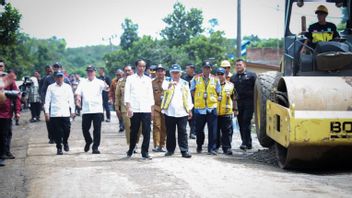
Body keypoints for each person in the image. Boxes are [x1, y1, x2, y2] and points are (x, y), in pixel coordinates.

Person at [124, 59, 154, 160]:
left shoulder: (148, 79)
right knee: (134, 131)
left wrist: (152, 109)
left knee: (147, 131)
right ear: (136, 67)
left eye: (143, 66)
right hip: (134, 108)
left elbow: (150, 95)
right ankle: (131, 148)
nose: (142, 68)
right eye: (140, 66)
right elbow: (127, 94)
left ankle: (145, 152)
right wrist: (128, 107)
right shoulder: (130, 79)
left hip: (146, 108)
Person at [161, 64, 193, 158]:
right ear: (171, 73)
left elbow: (188, 97)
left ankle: (184, 150)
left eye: (177, 73)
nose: (175, 75)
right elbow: (164, 88)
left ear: (180, 74)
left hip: (182, 111)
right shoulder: (167, 81)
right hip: (169, 111)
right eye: (173, 73)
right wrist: (171, 84)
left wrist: (190, 110)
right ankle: (170, 150)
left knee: (183, 132)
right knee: (170, 132)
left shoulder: (185, 83)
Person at [75, 65, 108, 154]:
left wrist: (106, 85)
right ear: (87, 73)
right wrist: (78, 100)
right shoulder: (82, 82)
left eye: (91, 71)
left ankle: (95, 147)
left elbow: (107, 89)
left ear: (94, 72)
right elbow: (78, 93)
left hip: (97, 109)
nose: (90, 73)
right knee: (85, 128)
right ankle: (88, 141)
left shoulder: (100, 82)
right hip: (86, 109)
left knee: (97, 129)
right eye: (88, 71)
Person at [190, 61, 221, 155]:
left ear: (211, 69)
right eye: (205, 67)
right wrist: (198, 98)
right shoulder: (196, 78)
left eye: (208, 68)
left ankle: (211, 149)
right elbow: (192, 91)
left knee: (212, 130)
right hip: (200, 108)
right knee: (199, 130)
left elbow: (219, 92)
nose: (206, 69)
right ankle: (199, 145)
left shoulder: (216, 79)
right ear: (202, 68)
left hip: (212, 107)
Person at [44, 71, 75, 155]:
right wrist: (46, 112)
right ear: (55, 78)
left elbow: (71, 99)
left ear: (63, 77)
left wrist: (73, 110)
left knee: (67, 130)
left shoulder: (67, 87)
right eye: (58, 77)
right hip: (55, 113)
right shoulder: (50, 87)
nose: (59, 78)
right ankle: (59, 147)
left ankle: (65, 142)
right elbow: (47, 100)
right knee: (57, 132)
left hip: (65, 112)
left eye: (61, 77)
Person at [230, 59, 256, 150]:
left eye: (240, 65)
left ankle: (245, 142)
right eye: (237, 65)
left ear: (244, 65)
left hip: (249, 102)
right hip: (238, 103)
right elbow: (232, 92)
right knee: (240, 122)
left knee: (246, 121)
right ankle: (247, 142)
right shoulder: (233, 78)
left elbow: (257, 89)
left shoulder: (252, 75)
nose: (238, 66)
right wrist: (234, 106)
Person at [41, 63, 70, 144]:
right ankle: (51, 137)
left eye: (58, 67)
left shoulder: (66, 79)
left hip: (61, 105)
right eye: (55, 67)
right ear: (52, 68)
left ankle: (61, 138)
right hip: (50, 104)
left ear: (61, 68)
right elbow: (43, 91)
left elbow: (70, 92)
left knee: (62, 124)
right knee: (49, 122)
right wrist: (44, 103)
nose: (56, 68)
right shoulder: (48, 79)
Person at [115, 65, 142, 147]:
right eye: (125, 71)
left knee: (139, 128)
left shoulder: (138, 80)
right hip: (125, 108)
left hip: (138, 107)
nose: (127, 72)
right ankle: (131, 145)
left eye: (129, 70)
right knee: (128, 127)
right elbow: (117, 95)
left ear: (132, 71)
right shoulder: (120, 82)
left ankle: (136, 142)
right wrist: (117, 107)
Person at [0, 60, 21, 161]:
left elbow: (16, 96)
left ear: (4, 67)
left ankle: (6, 152)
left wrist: (17, 111)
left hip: (7, 113)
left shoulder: (9, 80)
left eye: (1, 66)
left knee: (7, 133)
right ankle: (2, 153)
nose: (0, 68)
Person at [215, 67, 237, 155]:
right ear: (216, 75)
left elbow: (234, 98)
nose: (220, 76)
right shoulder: (212, 85)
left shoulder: (231, 85)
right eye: (218, 74)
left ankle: (227, 148)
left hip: (226, 112)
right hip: (214, 112)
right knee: (215, 132)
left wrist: (235, 109)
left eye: (222, 74)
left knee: (227, 132)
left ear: (225, 75)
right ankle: (215, 148)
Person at [151, 65, 167, 152]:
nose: (160, 73)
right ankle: (156, 145)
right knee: (156, 126)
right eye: (158, 71)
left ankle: (162, 145)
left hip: (166, 108)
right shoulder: (152, 83)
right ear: (156, 72)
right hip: (156, 107)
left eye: (162, 71)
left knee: (165, 127)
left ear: (165, 72)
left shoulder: (169, 82)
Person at [181, 63, 196, 139]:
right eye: (186, 69)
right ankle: (184, 132)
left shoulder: (197, 78)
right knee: (185, 117)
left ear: (192, 69)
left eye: (188, 69)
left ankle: (193, 132)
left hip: (195, 100)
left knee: (193, 118)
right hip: (185, 100)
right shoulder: (184, 78)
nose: (186, 70)